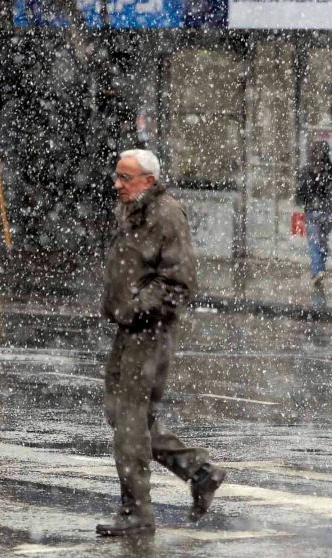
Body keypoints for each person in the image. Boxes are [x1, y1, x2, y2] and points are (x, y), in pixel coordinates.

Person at [96, 149, 227, 537]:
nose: (117, 184)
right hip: (129, 330)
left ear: (148, 181)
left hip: (149, 332)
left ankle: (137, 513)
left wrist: (138, 309)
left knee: (130, 422)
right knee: (123, 417)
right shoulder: (134, 210)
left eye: (126, 178)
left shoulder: (165, 214)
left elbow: (180, 281)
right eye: (117, 176)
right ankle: (199, 471)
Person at [295, 141, 332, 287]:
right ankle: (318, 270)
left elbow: (301, 194)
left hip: (320, 211)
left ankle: (318, 269)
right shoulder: (315, 171)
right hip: (319, 211)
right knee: (318, 242)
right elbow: (300, 193)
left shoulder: (323, 171)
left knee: (318, 242)